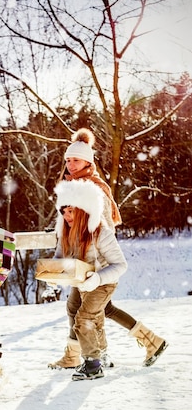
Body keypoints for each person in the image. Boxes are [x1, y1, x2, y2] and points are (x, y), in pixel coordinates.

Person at [50, 128, 167, 369]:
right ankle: (149, 341)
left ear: (88, 161)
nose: (71, 164)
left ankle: (95, 356)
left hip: (98, 262)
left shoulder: (95, 188)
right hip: (82, 262)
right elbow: (67, 227)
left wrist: (98, 268)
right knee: (94, 308)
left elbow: (100, 228)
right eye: (68, 160)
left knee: (88, 311)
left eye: (76, 160)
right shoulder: (71, 186)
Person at [49, 178, 128, 380]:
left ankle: (93, 364)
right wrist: (51, 274)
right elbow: (59, 258)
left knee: (85, 318)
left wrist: (98, 279)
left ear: (84, 210)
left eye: (71, 211)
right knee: (74, 309)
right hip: (82, 281)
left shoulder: (101, 232)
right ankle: (100, 353)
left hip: (104, 283)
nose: (66, 216)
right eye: (63, 212)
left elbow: (121, 265)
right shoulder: (66, 233)